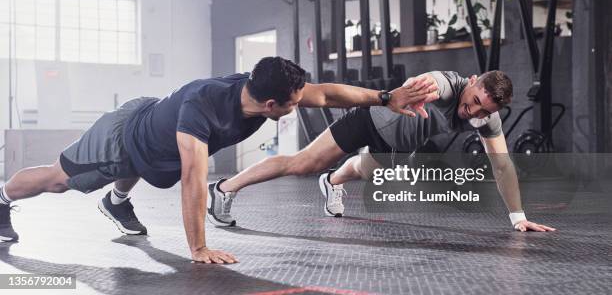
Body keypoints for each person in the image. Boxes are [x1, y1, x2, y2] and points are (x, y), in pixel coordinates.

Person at [0, 56, 438, 264]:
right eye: (293, 104)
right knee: (60, 180)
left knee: (152, 161)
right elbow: (194, 179)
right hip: (120, 138)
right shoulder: (202, 112)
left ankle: (116, 203)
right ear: (272, 104)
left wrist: (386, 96)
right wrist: (198, 247)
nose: (302, 105)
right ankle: (2, 196)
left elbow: (324, 93)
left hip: (154, 133)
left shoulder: (259, 90)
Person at [209, 70, 556, 233]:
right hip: (368, 120)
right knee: (304, 163)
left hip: (399, 145)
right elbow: (428, 81)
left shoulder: (485, 119)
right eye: (474, 100)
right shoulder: (446, 86)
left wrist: (518, 217)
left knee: (366, 172)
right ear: (473, 80)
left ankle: (332, 181)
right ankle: (223, 189)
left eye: (483, 110)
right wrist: (418, 90)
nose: (473, 111)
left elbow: (503, 166)